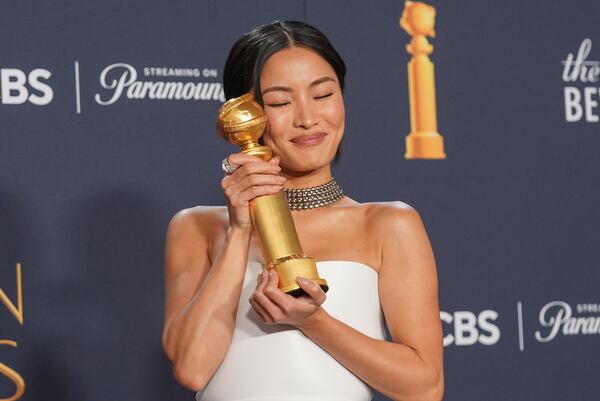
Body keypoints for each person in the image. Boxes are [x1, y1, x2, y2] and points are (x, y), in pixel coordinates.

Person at [161, 20, 444, 401]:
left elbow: (424, 387)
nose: (308, 119)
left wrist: (315, 322)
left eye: (323, 95)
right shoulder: (195, 227)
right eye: (280, 102)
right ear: (242, 113)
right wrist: (240, 231)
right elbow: (192, 369)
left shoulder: (390, 224)